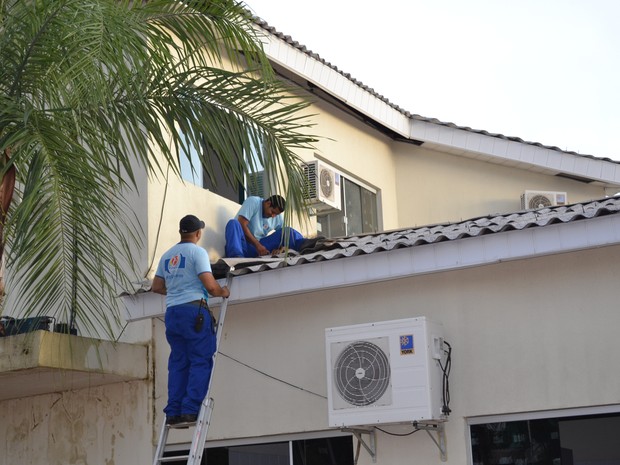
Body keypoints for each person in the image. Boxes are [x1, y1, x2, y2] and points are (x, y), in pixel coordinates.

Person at [151, 214, 230, 426]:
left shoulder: (166, 256)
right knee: (200, 360)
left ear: (180, 232)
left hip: (173, 314)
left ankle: (174, 411)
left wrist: (177, 289)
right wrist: (222, 291)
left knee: (178, 362)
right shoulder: (197, 252)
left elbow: (156, 287)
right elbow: (211, 287)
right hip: (194, 312)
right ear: (197, 233)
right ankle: (190, 410)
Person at [224, 195, 323, 258]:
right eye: (272, 212)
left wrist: (280, 249)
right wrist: (258, 245)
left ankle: (304, 244)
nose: (273, 216)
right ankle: (236, 257)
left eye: (275, 214)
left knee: (287, 231)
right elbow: (242, 223)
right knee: (233, 223)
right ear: (268, 203)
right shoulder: (253, 202)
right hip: (241, 244)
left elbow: (283, 237)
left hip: (256, 248)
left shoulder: (276, 217)